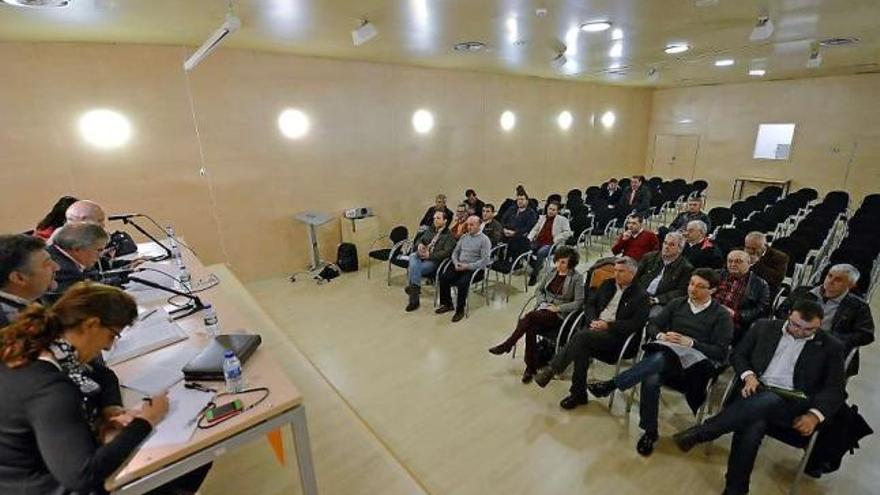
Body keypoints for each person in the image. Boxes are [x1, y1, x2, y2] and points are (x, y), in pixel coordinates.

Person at [0, 283, 184, 495]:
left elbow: (102, 374)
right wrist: (146, 421)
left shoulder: (43, 349)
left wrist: (110, 408)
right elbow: (82, 476)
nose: (107, 347)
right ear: (91, 325)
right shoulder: (50, 387)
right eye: (112, 335)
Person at [671, 300, 846, 495]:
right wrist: (749, 376)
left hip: (793, 400)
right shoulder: (764, 327)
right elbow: (738, 355)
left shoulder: (832, 346)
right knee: (753, 425)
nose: (800, 332)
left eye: (808, 330)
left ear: (820, 324)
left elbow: (835, 388)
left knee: (768, 400)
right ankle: (735, 490)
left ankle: (704, 431)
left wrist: (814, 415)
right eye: (796, 325)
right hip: (754, 390)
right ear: (788, 315)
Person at [588, 268, 734, 457]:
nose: (693, 289)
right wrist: (661, 335)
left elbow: (721, 352)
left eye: (700, 286)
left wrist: (691, 343)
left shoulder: (721, 316)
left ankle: (612, 385)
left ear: (712, 290)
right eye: (691, 284)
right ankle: (650, 432)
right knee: (652, 377)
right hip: (667, 355)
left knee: (658, 360)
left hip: (694, 366)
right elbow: (652, 325)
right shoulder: (677, 303)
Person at [533, 257, 649, 409]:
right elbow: (590, 304)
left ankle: (553, 368)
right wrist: (593, 321)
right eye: (615, 270)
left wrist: (607, 326)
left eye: (621, 271)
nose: (616, 274)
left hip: (619, 339)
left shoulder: (641, 296)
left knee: (582, 336)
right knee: (582, 346)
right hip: (595, 331)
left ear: (632, 274)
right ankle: (578, 394)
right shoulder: (608, 284)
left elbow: (635, 324)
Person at [489, 246, 584, 383]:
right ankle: (530, 367)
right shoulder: (552, 272)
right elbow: (538, 290)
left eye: (563, 262)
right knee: (530, 328)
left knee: (530, 317)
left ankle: (508, 344)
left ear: (571, 263)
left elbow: (579, 302)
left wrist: (558, 308)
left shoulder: (577, 278)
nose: (559, 264)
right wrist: (542, 302)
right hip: (543, 308)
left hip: (560, 314)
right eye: (557, 261)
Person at [777, 264, 874, 375]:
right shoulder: (803, 292)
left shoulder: (858, 306)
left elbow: (866, 334)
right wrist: (794, 326)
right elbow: (782, 311)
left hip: (825, 348)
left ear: (851, 285)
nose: (830, 281)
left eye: (838, 280)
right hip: (794, 337)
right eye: (829, 275)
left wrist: (831, 338)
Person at [436, 216, 492, 322]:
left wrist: (467, 266)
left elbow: (485, 261)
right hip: (460, 265)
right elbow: (455, 252)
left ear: (479, 226)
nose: (469, 227)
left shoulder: (485, 240)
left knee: (462, 283)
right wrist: (456, 263)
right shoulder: (464, 237)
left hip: (474, 269)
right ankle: (448, 304)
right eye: (468, 225)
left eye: (472, 225)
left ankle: (460, 310)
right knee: (443, 277)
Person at [0, 234, 60, 328]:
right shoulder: (10, 324)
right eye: (47, 264)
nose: (57, 267)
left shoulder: (36, 300)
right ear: (19, 278)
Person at [714, 250, 770, 344]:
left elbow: (761, 310)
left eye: (738, 261)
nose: (733, 264)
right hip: (710, 314)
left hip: (736, 324)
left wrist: (736, 314)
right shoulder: (716, 275)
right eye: (730, 261)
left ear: (749, 263)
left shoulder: (760, 284)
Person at [404, 211, 456, 312]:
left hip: (435, 261)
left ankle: (414, 298)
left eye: (438, 218)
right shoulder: (430, 230)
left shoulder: (449, 235)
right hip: (422, 255)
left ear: (445, 221)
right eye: (434, 218)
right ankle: (416, 289)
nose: (435, 220)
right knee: (413, 256)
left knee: (413, 269)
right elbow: (420, 240)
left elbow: (446, 253)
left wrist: (430, 255)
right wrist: (419, 245)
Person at [46, 223, 110, 299]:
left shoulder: (53, 252)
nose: (100, 255)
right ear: (77, 249)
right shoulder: (67, 272)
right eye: (99, 250)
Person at [634, 232, 693, 310]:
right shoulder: (649, 257)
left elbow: (680, 292)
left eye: (671, 245)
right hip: (640, 294)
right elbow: (635, 276)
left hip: (661, 302)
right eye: (665, 243)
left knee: (655, 315)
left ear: (680, 249)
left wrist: (657, 300)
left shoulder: (686, 268)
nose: (666, 247)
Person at [526, 201, 573, 285]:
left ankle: (534, 275)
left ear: (557, 211)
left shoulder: (562, 220)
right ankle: (536, 264)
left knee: (541, 253)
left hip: (551, 244)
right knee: (525, 248)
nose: (551, 211)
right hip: (538, 241)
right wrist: (529, 238)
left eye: (554, 210)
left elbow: (568, 233)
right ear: (547, 209)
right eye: (550, 209)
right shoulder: (542, 218)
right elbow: (535, 229)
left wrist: (557, 237)